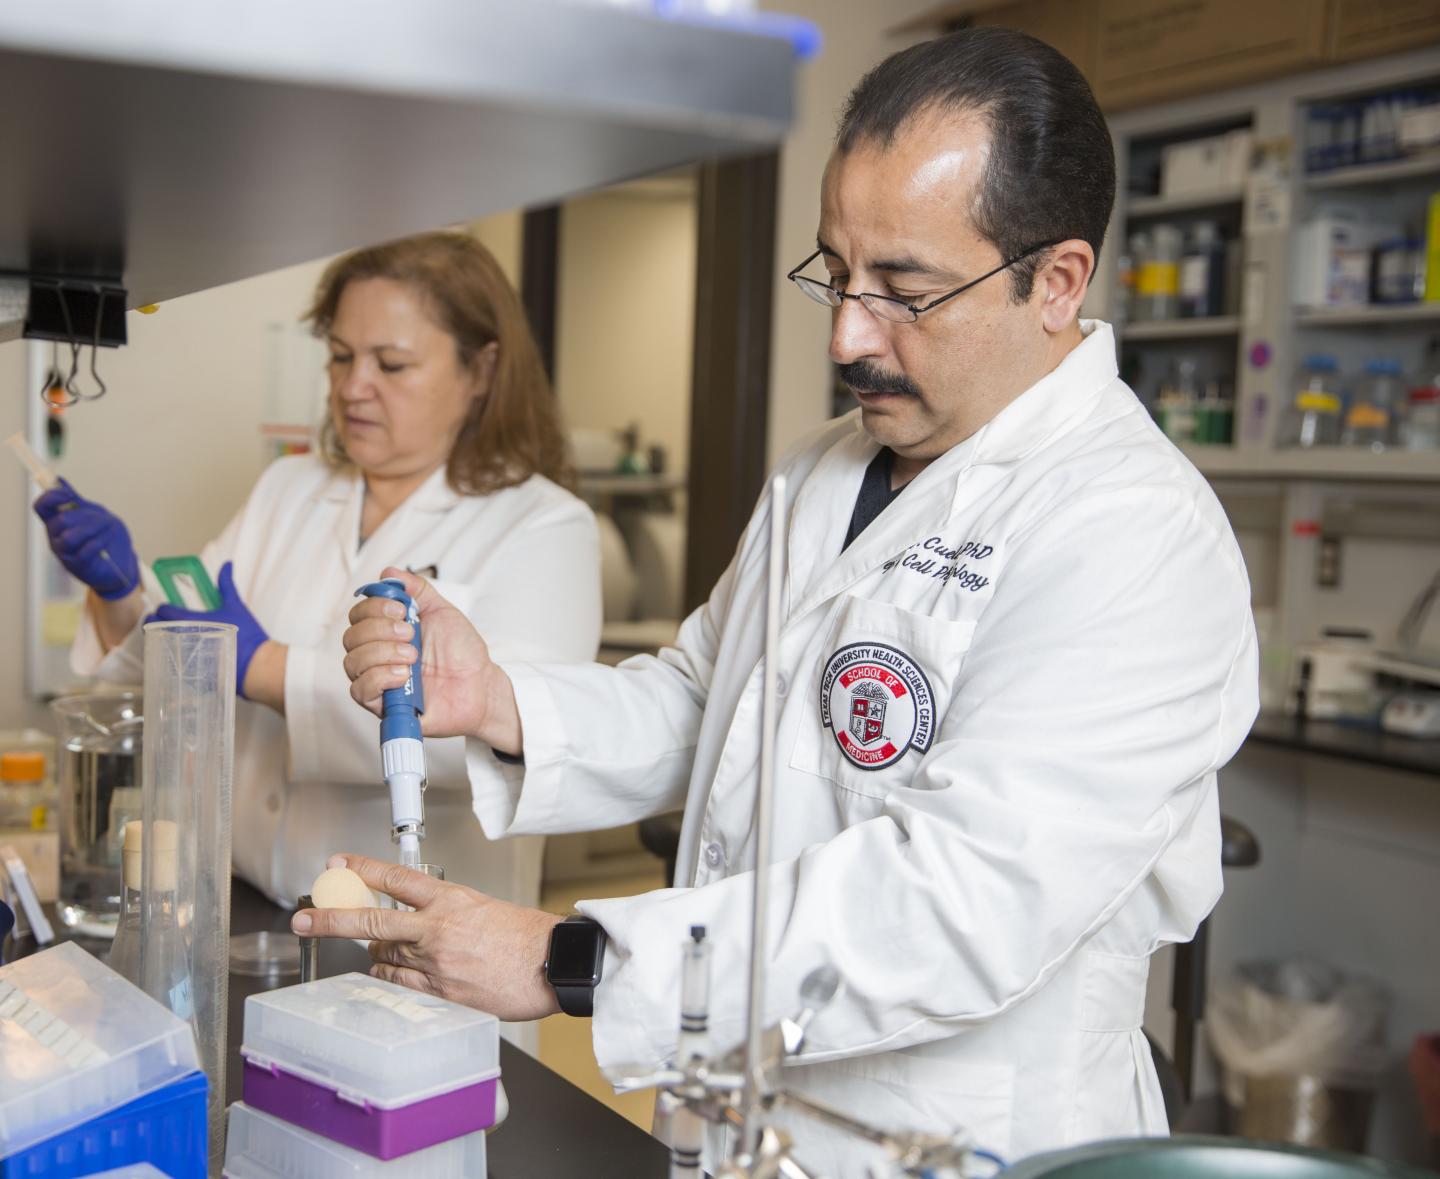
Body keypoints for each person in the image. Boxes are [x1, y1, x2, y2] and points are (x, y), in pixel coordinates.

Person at [308, 29, 1257, 1175]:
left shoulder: (1132, 531)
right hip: (742, 1113)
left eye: (904, 291)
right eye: (836, 274)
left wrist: (574, 962)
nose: (848, 334)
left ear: (1055, 282)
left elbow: (961, 902)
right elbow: (713, 701)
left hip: (947, 1141)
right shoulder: (824, 469)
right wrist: (502, 701)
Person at [36, 231, 602, 912]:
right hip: (243, 900)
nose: (353, 386)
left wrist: (266, 669)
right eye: (340, 356)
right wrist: (119, 592)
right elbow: (181, 657)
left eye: (391, 364)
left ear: (481, 370)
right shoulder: (288, 488)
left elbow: (512, 742)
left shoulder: (545, 525)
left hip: (412, 930)